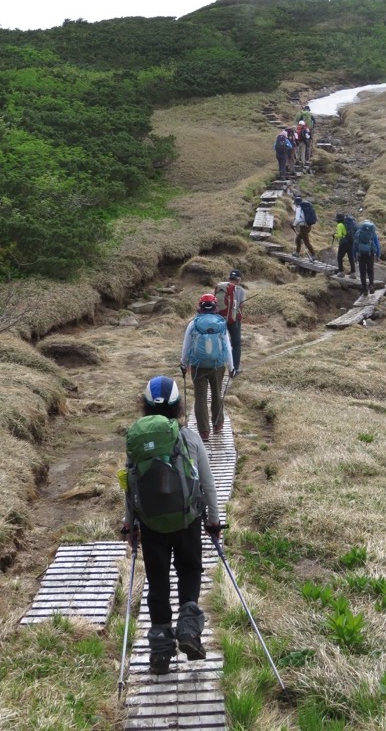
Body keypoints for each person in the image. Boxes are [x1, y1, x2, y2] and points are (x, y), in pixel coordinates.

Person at [121, 375, 222, 674]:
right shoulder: (189, 437)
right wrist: (214, 520)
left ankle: (160, 652)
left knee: (158, 582)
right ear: (178, 406)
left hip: (151, 524)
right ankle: (189, 630)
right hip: (187, 520)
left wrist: (130, 524)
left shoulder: (136, 441)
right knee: (189, 571)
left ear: (145, 407)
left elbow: (130, 486)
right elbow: (207, 482)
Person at [180, 294, 235, 441]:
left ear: (201, 306)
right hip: (218, 365)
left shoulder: (194, 323)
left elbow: (186, 346)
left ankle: (204, 432)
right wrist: (231, 367)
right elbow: (228, 347)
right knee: (217, 394)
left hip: (198, 366)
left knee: (200, 398)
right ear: (215, 306)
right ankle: (218, 425)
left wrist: (183, 364)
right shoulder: (221, 323)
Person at [215, 269, 245, 375]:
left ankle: (217, 366)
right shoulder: (240, 290)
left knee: (219, 342)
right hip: (234, 319)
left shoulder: (221, 288)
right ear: (239, 279)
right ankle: (235, 368)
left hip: (219, 319)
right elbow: (241, 305)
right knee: (235, 344)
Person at [353, 219, 381, 296]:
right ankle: (371, 285)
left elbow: (355, 244)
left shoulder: (359, 232)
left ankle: (364, 290)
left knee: (362, 272)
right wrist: (378, 255)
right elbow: (377, 244)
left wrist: (354, 255)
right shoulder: (372, 232)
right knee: (370, 271)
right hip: (370, 254)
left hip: (361, 254)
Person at [291, 196, 316, 262]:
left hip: (303, 227)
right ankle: (297, 252)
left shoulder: (299, 208)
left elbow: (297, 219)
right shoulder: (304, 207)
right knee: (298, 238)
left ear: (296, 203)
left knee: (306, 242)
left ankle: (313, 255)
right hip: (308, 226)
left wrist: (293, 225)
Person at [333, 212, 356, 278]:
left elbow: (340, 235)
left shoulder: (339, 225)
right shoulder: (349, 224)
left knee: (339, 257)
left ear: (338, 220)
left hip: (343, 243)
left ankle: (341, 272)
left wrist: (335, 235)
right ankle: (353, 273)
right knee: (351, 258)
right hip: (351, 242)